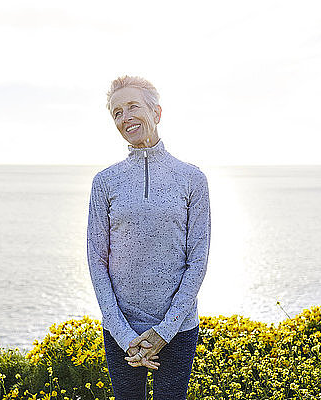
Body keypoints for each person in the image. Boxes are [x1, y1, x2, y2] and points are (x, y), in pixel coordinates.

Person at [86, 75, 211, 400]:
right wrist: (124, 333)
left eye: (132, 106)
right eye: (116, 112)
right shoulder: (105, 182)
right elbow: (97, 261)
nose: (125, 117)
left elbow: (197, 260)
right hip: (121, 332)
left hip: (178, 329)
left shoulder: (192, 179)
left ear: (156, 112)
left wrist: (164, 331)